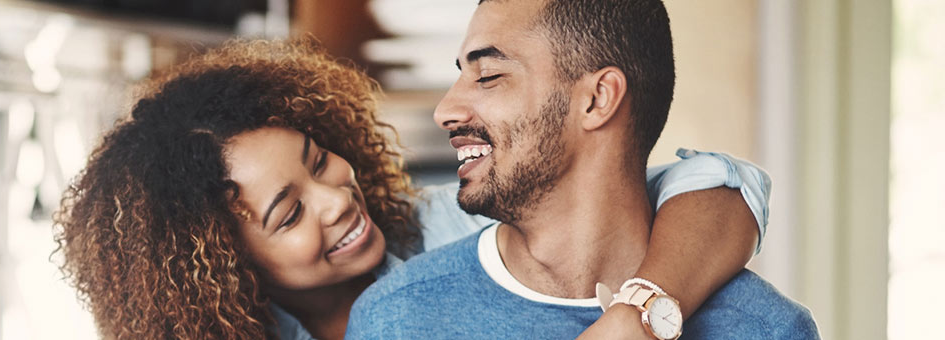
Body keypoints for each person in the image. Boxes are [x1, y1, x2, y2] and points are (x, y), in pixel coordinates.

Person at [53, 39, 768, 340]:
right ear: (226, 268)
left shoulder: (458, 230)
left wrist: (639, 314)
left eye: (318, 159)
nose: (336, 197)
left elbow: (719, 182)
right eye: (289, 211)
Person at [344, 0, 816, 339]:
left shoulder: (766, 329)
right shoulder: (396, 319)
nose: (445, 109)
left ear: (597, 99)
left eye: (488, 76)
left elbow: (727, 180)